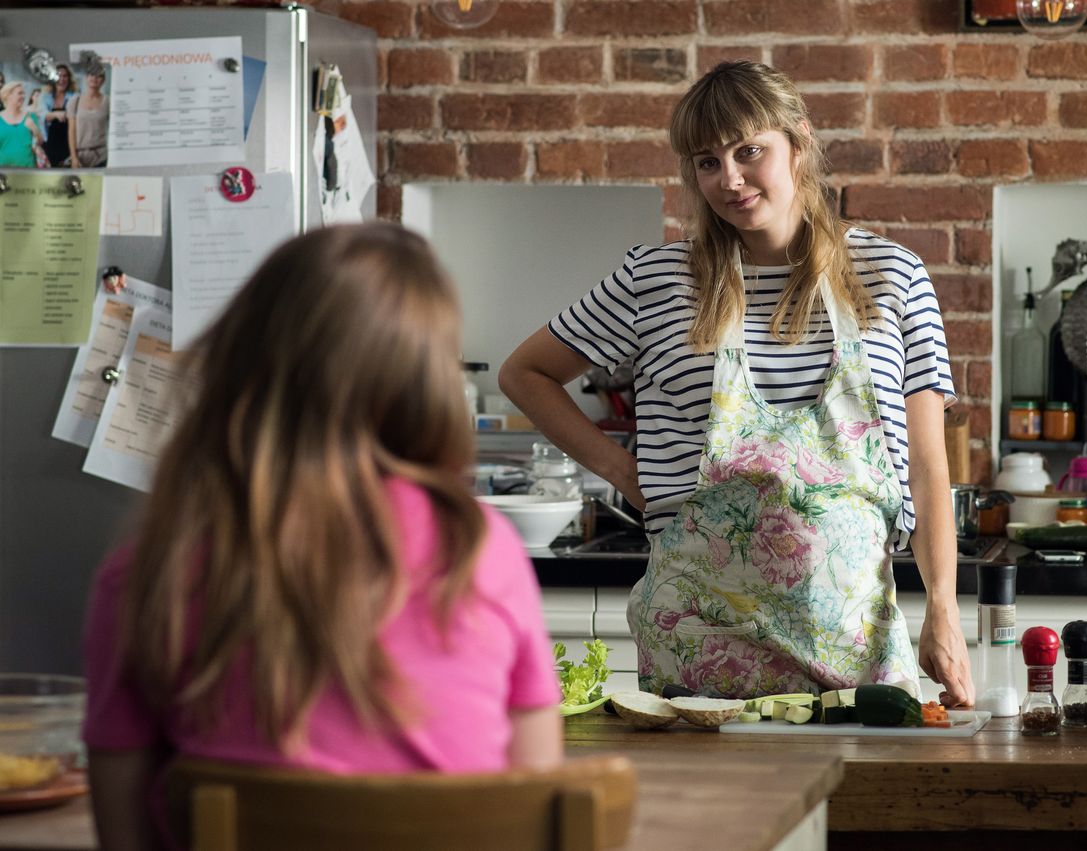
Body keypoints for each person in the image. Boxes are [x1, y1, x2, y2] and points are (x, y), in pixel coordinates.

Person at [500, 61, 972, 707]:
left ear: (798, 143)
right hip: (695, 655)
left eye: (750, 151)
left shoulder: (891, 275)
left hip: (855, 650)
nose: (731, 179)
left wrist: (942, 606)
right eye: (707, 161)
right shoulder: (657, 281)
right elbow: (524, 373)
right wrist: (624, 471)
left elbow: (926, 465)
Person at [83, 224, 565, 850]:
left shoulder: (149, 570)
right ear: (426, 384)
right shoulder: (482, 547)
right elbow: (529, 796)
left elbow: (126, 836)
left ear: (242, 362)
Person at [68, 68, 108, 168]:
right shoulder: (74, 101)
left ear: (103, 80)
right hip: (79, 156)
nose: (94, 78)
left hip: (101, 156)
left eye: (99, 76)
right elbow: (71, 131)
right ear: (86, 78)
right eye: (92, 74)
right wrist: (73, 157)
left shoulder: (108, 101)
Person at [0, 82, 43, 168]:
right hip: (3, 171)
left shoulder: (31, 116)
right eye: (20, 93)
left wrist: (34, 128)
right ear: (8, 95)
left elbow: (40, 142)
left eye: (24, 93)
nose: (23, 97)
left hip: (28, 169)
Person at [40, 63, 75, 167]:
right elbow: (43, 115)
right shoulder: (45, 97)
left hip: (68, 144)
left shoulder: (74, 96)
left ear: (69, 79)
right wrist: (56, 114)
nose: (62, 79)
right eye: (59, 75)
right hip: (49, 144)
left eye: (65, 76)